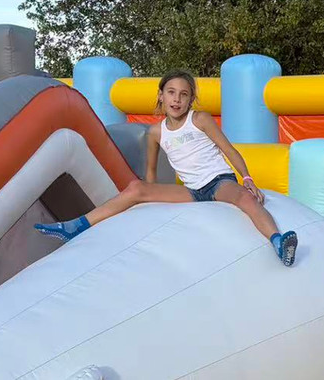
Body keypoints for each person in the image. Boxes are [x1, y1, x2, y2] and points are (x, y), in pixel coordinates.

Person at [35, 70, 298, 266]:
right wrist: (148, 201)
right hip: (192, 191)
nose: (177, 99)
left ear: (191, 99)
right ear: (161, 95)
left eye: (184, 95)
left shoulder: (200, 119)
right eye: (171, 92)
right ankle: (76, 226)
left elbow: (229, 150)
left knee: (243, 198)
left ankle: (278, 241)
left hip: (218, 182)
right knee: (137, 188)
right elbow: (150, 176)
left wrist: (247, 178)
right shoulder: (155, 133)